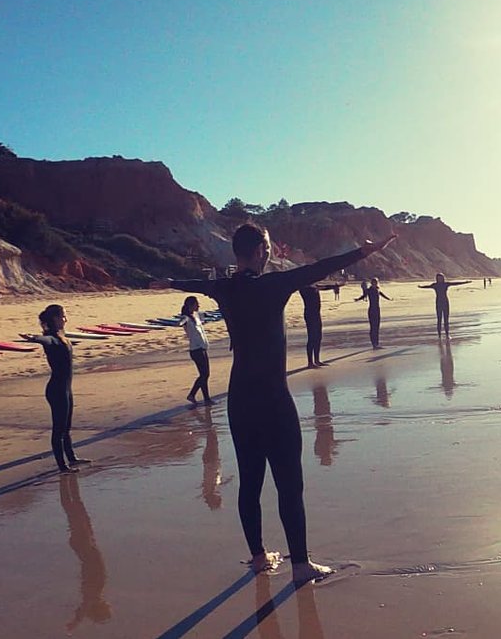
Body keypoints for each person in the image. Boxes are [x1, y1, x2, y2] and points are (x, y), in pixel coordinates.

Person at [167, 223, 395, 584]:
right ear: (260, 250)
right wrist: (366, 251)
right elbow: (319, 269)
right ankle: (301, 566)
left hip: (240, 399)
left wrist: (161, 283)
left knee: (250, 484)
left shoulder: (223, 287)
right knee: (290, 484)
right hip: (273, 399)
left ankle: (259, 558)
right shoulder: (273, 285)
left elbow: (190, 284)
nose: (271, 252)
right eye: (269, 247)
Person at [20, 304, 88, 473]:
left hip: (66, 389)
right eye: (63, 316)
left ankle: (71, 459)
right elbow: (45, 340)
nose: (66, 319)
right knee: (58, 429)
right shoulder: (52, 338)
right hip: (57, 390)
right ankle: (62, 466)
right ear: (55, 319)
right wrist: (33, 338)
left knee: (67, 427)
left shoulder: (61, 335)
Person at [182, 296, 214, 403]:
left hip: (202, 348)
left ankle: (205, 398)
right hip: (196, 350)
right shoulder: (186, 318)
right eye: (196, 304)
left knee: (204, 374)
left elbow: (204, 316)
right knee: (204, 374)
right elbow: (182, 321)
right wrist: (181, 322)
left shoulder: (196, 315)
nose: (198, 305)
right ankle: (194, 395)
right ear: (190, 305)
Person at [354, 277, 392, 349]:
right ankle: (373, 343)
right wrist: (357, 299)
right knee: (373, 327)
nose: (375, 284)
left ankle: (376, 344)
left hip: (377, 310)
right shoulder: (369, 290)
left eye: (376, 282)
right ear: (371, 283)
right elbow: (363, 296)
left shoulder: (378, 290)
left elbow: (383, 295)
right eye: (374, 282)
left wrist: (389, 299)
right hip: (371, 310)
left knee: (377, 327)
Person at [300, 284, 325, 368]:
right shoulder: (304, 288)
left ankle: (317, 360)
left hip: (317, 314)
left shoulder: (314, 287)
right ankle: (310, 362)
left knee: (318, 337)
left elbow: (324, 287)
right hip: (310, 314)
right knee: (312, 337)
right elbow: (321, 287)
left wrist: (335, 286)